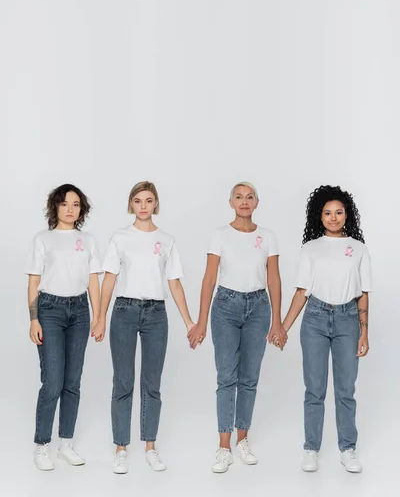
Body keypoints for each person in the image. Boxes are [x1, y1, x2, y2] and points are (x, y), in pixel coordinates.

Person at [188, 182, 286, 473]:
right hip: (226, 306)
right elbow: (208, 279)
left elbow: (275, 280)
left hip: (258, 306)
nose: (244, 202)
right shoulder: (220, 235)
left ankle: (243, 438)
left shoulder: (268, 236)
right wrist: (201, 320)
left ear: (257, 202)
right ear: (230, 202)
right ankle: (223, 446)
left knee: (249, 376)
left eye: (250, 197)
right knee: (226, 376)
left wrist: (278, 321)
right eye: (239, 197)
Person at [98, 181, 194, 474]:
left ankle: (150, 446)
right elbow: (110, 279)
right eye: (138, 200)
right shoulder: (120, 238)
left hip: (156, 314)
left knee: (152, 384)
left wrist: (189, 321)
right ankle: (121, 447)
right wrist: (100, 316)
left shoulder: (167, 240)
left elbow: (174, 282)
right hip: (124, 311)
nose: (143, 205)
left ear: (155, 205)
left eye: (148, 200)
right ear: (131, 204)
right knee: (123, 381)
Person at [275, 185, 371, 473]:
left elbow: (363, 293)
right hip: (315, 318)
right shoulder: (311, 248)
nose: (333, 217)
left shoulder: (359, 249)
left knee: (345, 389)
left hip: (347, 320)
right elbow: (301, 291)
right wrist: (283, 327)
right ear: (319, 216)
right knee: (314, 389)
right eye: (327, 213)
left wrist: (364, 331)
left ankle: (348, 448)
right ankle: (311, 448)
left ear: (347, 215)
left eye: (339, 212)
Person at [26, 184, 102, 471]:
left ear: (81, 210)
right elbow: (33, 282)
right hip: (50, 311)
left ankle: (66, 443)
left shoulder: (88, 240)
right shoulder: (42, 239)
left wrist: (98, 317)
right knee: (53, 381)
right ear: (55, 207)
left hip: (80, 311)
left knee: (72, 381)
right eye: (65, 204)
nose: (70, 209)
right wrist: (34, 319)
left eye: (76, 204)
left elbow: (93, 280)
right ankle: (41, 445)